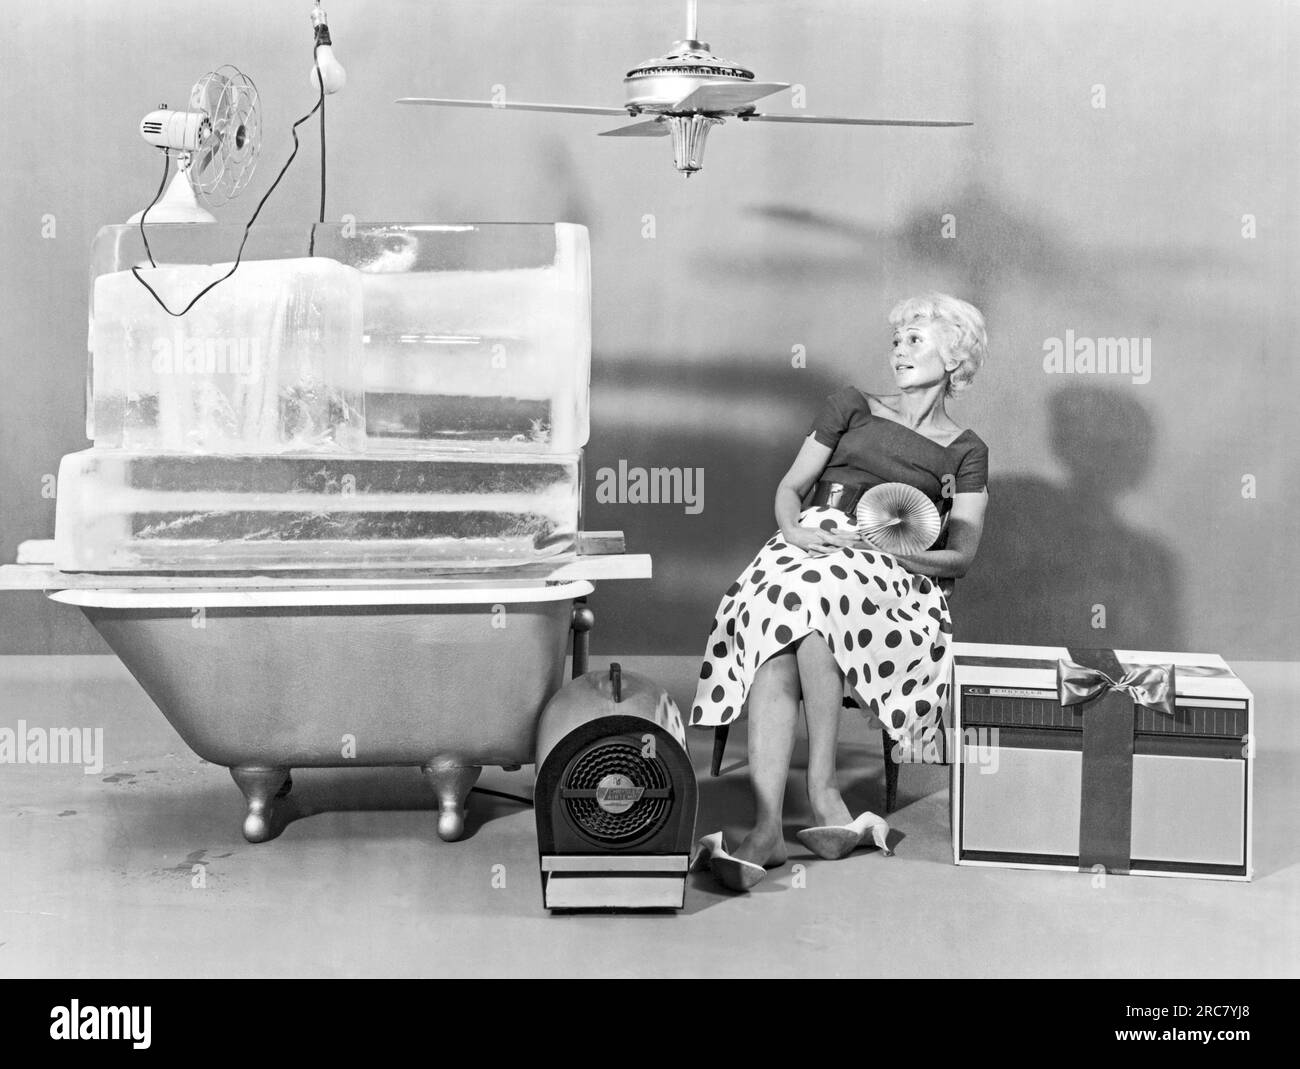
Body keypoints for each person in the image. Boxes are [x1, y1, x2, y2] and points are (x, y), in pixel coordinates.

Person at [690, 292, 990, 892]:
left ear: (954, 358)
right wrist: (793, 528)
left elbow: (961, 553)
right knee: (791, 609)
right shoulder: (851, 405)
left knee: (810, 603)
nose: (899, 350)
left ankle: (794, 812)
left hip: (892, 570)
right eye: (897, 339)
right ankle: (789, 815)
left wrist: (891, 551)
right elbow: (791, 487)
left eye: (916, 340)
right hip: (809, 545)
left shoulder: (966, 450)